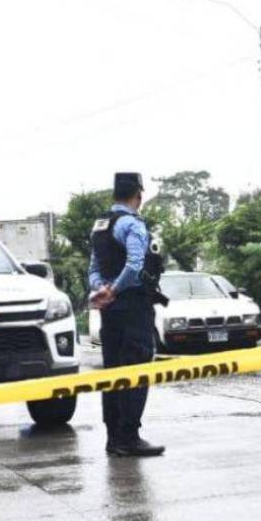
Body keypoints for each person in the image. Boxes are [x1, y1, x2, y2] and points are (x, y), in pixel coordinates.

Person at [88, 172, 166, 457]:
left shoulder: (100, 226)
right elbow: (134, 265)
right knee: (136, 370)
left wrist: (103, 289)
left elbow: (93, 270)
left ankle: (113, 438)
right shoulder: (133, 225)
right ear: (139, 195)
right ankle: (129, 437)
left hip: (110, 312)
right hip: (133, 306)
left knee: (113, 373)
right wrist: (117, 290)